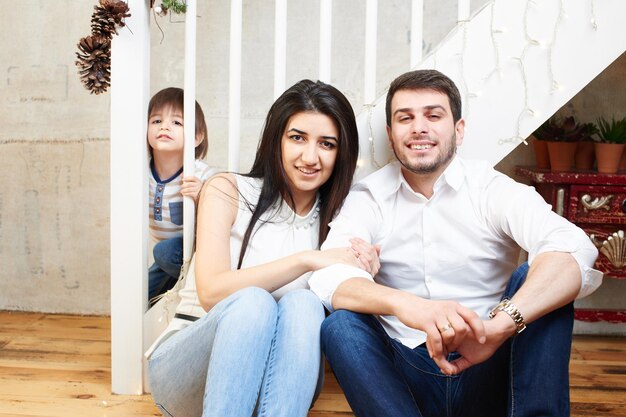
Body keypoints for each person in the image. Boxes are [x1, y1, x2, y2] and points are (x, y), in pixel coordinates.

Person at [308, 69, 603, 417]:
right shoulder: (367, 197)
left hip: (490, 363)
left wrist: (499, 327)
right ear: (391, 134)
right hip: (405, 375)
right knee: (341, 326)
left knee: (543, 277)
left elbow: (573, 247)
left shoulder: (491, 189)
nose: (419, 127)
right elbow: (328, 277)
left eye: (433, 115)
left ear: (458, 131)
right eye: (406, 118)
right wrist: (408, 306)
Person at [146, 79, 376, 417]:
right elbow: (211, 292)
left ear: (341, 153)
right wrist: (306, 260)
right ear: (276, 140)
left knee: (304, 304)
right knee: (253, 301)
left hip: (278, 385)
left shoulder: (341, 218)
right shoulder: (227, 189)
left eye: (326, 144)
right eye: (297, 138)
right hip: (189, 371)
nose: (310, 156)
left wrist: (365, 269)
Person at [147, 87, 217, 302]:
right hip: (169, 257)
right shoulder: (141, 171)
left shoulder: (200, 173)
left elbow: (224, 210)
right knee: (139, 296)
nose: (165, 126)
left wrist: (203, 195)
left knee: (164, 252)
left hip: (199, 252)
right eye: (156, 121)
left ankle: (202, 282)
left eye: (176, 122)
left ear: (197, 137)